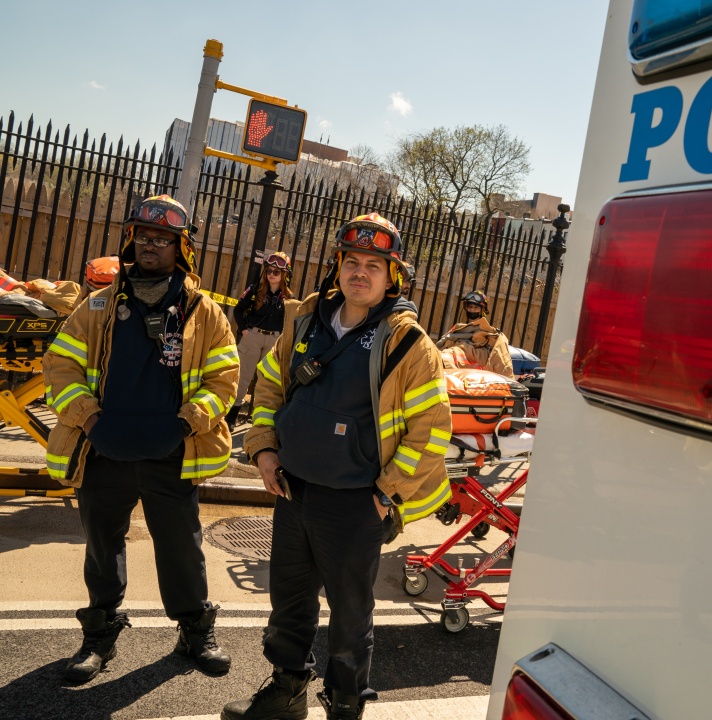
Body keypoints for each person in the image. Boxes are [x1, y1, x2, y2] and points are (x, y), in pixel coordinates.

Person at [224, 213, 452, 720]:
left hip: (356, 504)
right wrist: (263, 448)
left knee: (350, 617)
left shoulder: (410, 344)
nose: (361, 272)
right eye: (352, 261)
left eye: (375, 265)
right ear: (337, 266)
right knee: (288, 602)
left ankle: (346, 705)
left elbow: (432, 430)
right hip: (295, 491)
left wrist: (389, 491)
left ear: (393, 275)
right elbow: (268, 384)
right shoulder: (306, 319)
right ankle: (287, 693)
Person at [42, 195, 239, 684]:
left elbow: (224, 380)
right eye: (144, 236)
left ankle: (194, 630)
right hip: (104, 449)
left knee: (181, 547)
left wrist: (185, 424)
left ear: (181, 247)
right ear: (132, 241)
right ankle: (99, 635)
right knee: (101, 545)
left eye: (163, 238)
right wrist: (90, 421)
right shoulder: (99, 304)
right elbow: (60, 366)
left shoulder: (203, 311)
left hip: (171, 452)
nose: (151, 245)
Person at [226, 251, 294, 430]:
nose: (272, 274)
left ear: (284, 275)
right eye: (269, 270)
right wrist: (245, 330)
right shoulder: (255, 290)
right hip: (253, 337)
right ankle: (232, 416)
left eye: (276, 272)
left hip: (273, 340)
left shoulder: (288, 298)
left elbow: (291, 321)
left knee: (267, 381)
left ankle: (261, 420)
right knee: (243, 377)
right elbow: (239, 310)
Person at [436, 290, 514, 377]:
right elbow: (444, 342)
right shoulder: (458, 328)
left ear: (482, 310)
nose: (472, 310)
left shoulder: (489, 331)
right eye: (470, 307)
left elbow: (497, 355)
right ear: (466, 308)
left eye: (476, 308)